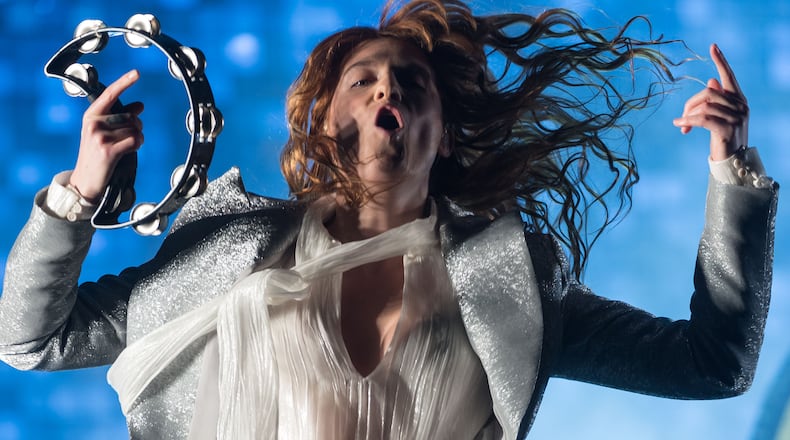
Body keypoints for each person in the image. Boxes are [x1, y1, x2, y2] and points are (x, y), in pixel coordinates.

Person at [0, 0, 778, 438]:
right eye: (361, 79)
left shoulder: (509, 282)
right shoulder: (227, 249)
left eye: (411, 81)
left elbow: (711, 365)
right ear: (324, 119)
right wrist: (80, 192)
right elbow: (32, 340)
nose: (387, 90)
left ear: (445, 133)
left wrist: (732, 170)